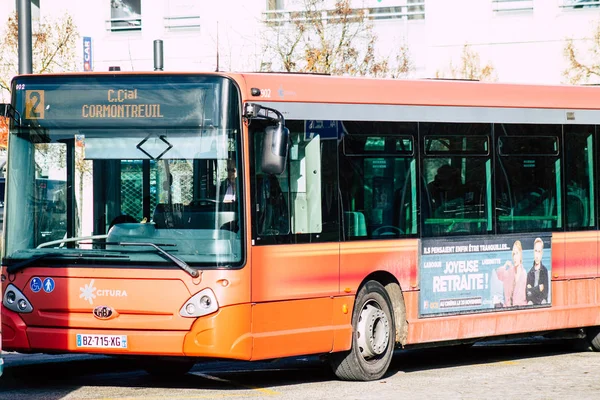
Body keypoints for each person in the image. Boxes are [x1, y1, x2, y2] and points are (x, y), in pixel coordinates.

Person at [496, 240, 528, 307]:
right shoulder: (510, 272)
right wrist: (505, 266)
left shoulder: (524, 274)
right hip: (509, 309)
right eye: (513, 254)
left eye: (517, 253)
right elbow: (499, 274)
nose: (515, 257)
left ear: (520, 254)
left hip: (521, 309)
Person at [526, 237, 549, 305]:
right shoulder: (529, 273)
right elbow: (528, 294)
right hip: (532, 302)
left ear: (542, 253)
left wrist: (532, 289)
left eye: (539, 251)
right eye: (536, 251)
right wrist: (538, 288)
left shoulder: (544, 271)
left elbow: (545, 293)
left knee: (544, 302)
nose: (537, 255)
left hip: (541, 301)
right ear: (533, 252)